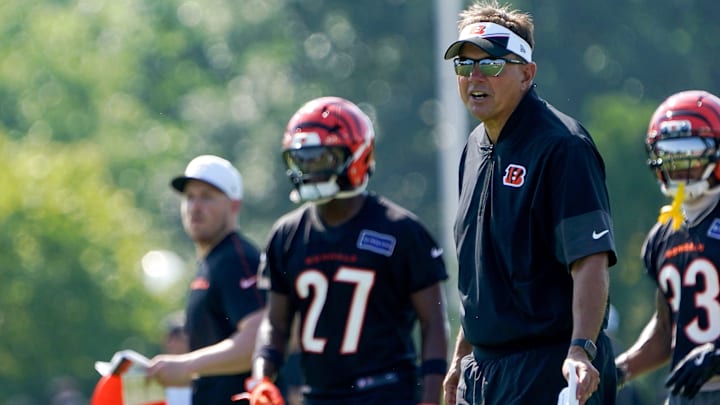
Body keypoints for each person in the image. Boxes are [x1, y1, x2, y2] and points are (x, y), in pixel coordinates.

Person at [440, 2, 618, 404]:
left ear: (526, 73)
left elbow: (590, 259)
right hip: (483, 373)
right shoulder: (473, 147)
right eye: (465, 66)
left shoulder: (562, 146)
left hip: (549, 368)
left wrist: (581, 349)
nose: (475, 77)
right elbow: (485, 276)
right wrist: (461, 356)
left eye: (492, 64)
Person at [240, 96, 450, 405]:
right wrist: (261, 378)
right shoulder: (287, 235)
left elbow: (433, 321)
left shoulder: (400, 230)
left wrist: (432, 397)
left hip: (386, 393)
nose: (309, 170)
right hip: (318, 396)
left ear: (357, 156)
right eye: (303, 160)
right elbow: (276, 323)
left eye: (321, 159)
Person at [614, 90, 720, 404]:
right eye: (671, 155)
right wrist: (619, 370)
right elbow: (665, 329)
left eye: (690, 153)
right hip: (686, 394)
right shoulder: (663, 235)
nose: (680, 167)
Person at [146, 154, 266, 405]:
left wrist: (186, 366)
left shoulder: (235, 258)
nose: (195, 206)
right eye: (189, 197)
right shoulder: (211, 263)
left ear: (234, 205)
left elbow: (258, 340)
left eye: (207, 196)